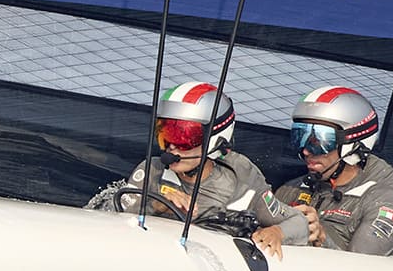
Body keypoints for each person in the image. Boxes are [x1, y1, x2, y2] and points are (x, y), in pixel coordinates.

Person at [121, 81, 308, 259]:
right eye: (164, 134)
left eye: (183, 136)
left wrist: (277, 232)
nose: (171, 147)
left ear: (215, 138)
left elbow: (298, 223)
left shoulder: (241, 177)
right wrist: (156, 204)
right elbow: (113, 218)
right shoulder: (152, 170)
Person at [275, 86, 393, 255]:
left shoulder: (383, 201)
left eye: (320, 140)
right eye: (299, 137)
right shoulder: (291, 190)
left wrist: (322, 238)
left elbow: (363, 268)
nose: (306, 151)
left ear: (353, 145)